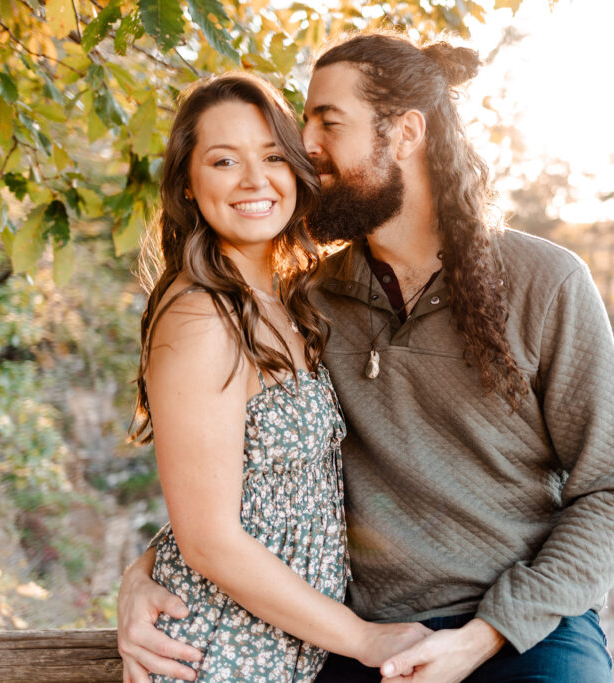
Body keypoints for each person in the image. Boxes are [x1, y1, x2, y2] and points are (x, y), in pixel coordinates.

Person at [118, 34, 614, 683]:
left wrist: (486, 634)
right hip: (364, 634)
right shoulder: (308, 300)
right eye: (305, 123)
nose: (305, 145)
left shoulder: (546, 281)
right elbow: (240, 479)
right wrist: (143, 574)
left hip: (527, 629)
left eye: (327, 122)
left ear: (404, 133)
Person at [125, 71, 429, 683]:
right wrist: (365, 641)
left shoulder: (291, 298)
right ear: (188, 184)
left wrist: (142, 566)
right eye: (223, 161)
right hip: (225, 651)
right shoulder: (200, 316)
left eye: (271, 156)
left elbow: (234, 490)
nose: (254, 180)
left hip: (295, 647)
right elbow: (209, 539)